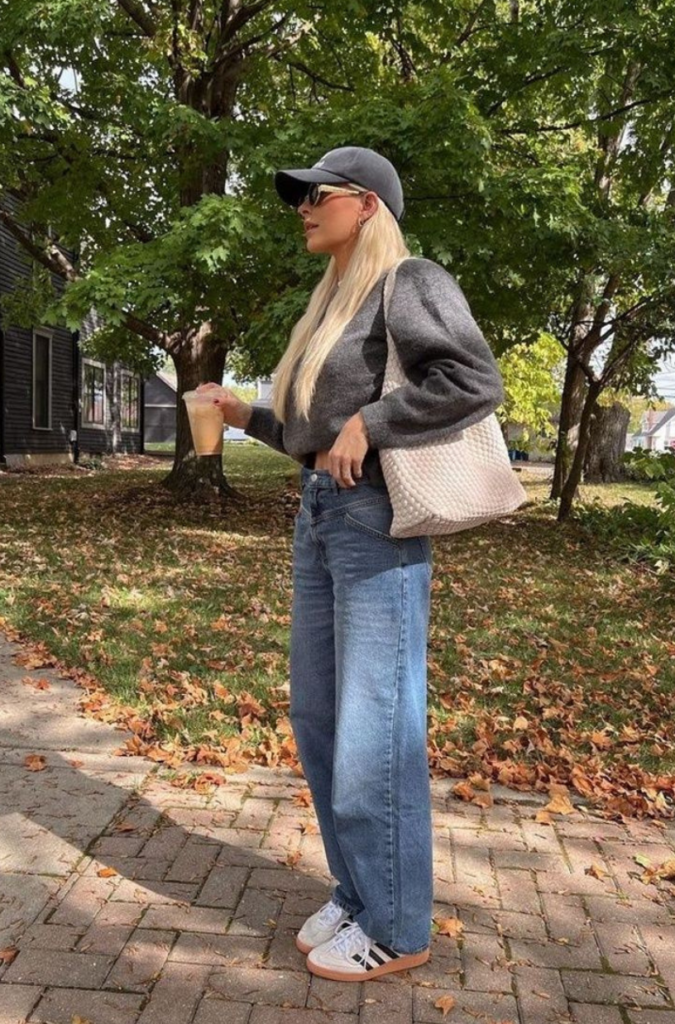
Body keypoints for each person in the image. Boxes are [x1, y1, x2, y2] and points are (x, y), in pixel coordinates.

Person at [197, 146, 506, 982]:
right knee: (319, 716)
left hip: (375, 522)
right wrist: (244, 415)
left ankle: (398, 926)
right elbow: (314, 440)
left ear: (366, 204)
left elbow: (473, 379)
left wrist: (374, 422)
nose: (301, 207)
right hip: (320, 518)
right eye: (297, 196)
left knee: (375, 729)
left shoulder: (411, 281)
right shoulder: (332, 304)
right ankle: (359, 889)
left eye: (316, 194)